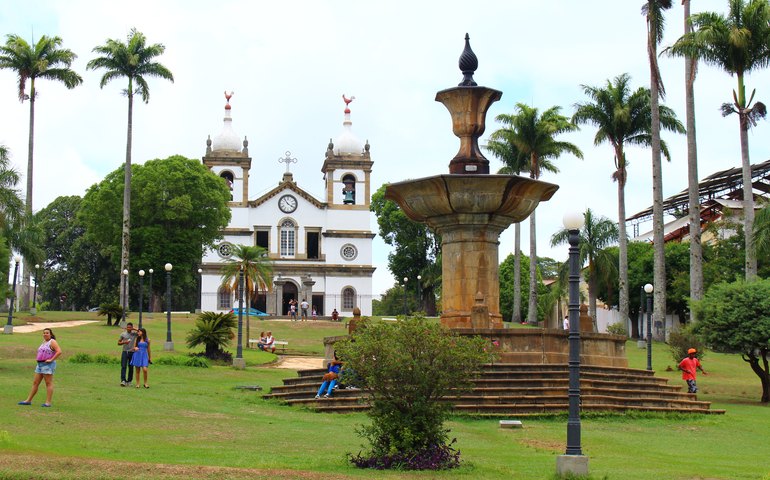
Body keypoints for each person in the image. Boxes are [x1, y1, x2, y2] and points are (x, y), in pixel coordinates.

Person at [18, 328, 62, 407]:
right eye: (44, 333)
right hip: (40, 365)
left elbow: (59, 351)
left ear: (51, 334)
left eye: (47, 333)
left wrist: (51, 359)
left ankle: (48, 403)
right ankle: (28, 400)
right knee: (35, 383)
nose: (45, 334)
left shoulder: (52, 342)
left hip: (47, 365)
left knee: (48, 383)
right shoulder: (44, 342)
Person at [118, 322, 138, 386]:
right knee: (123, 366)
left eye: (130, 327)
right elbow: (118, 343)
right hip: (125, 352)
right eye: (128, 327)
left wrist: (134, 329)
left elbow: (141, 332)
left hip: (132, 352)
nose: (129, 328)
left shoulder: (134, 334)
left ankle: (129, 381)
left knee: (131, 367)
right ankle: (123, 380)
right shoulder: (123, 334)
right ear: (126, 327)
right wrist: (124, 342)